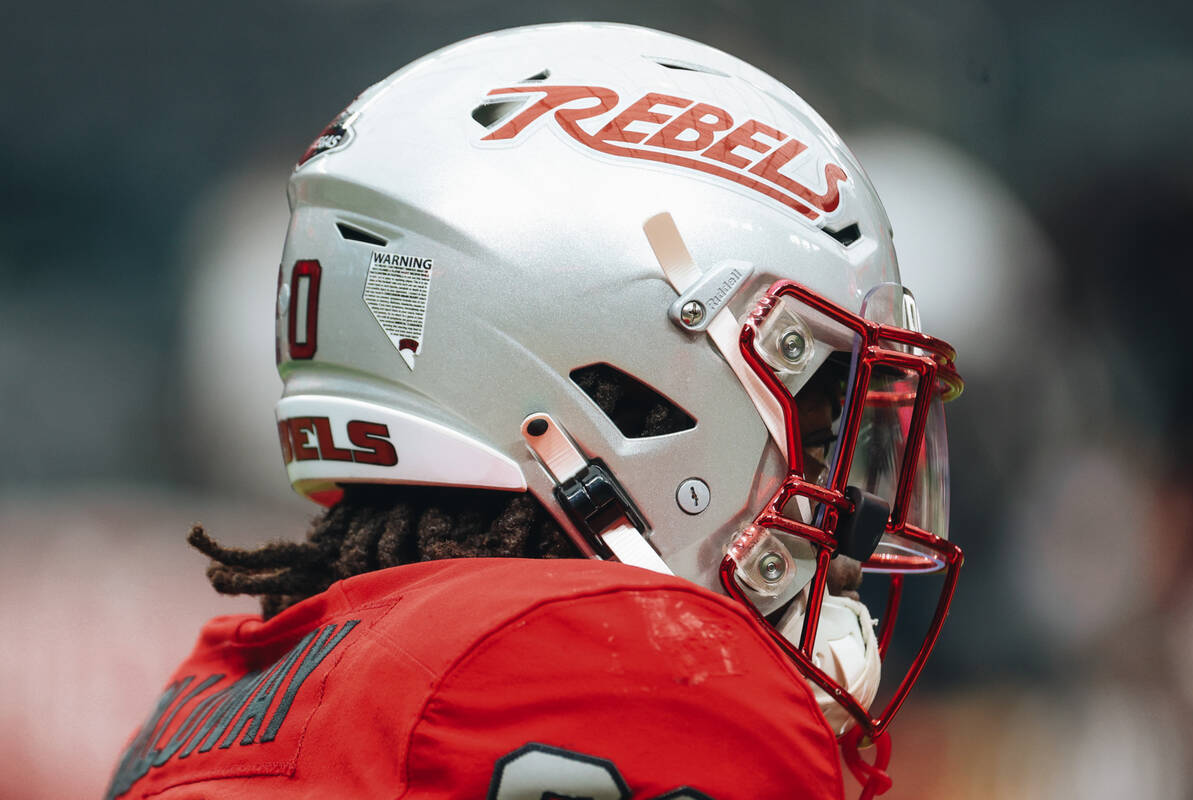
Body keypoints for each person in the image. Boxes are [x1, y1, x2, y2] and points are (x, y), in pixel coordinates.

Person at [106, 22, 964, 800]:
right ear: (628, 397)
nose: (851, 521)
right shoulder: (626, 688)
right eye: (815, 436)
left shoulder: (205, 717)